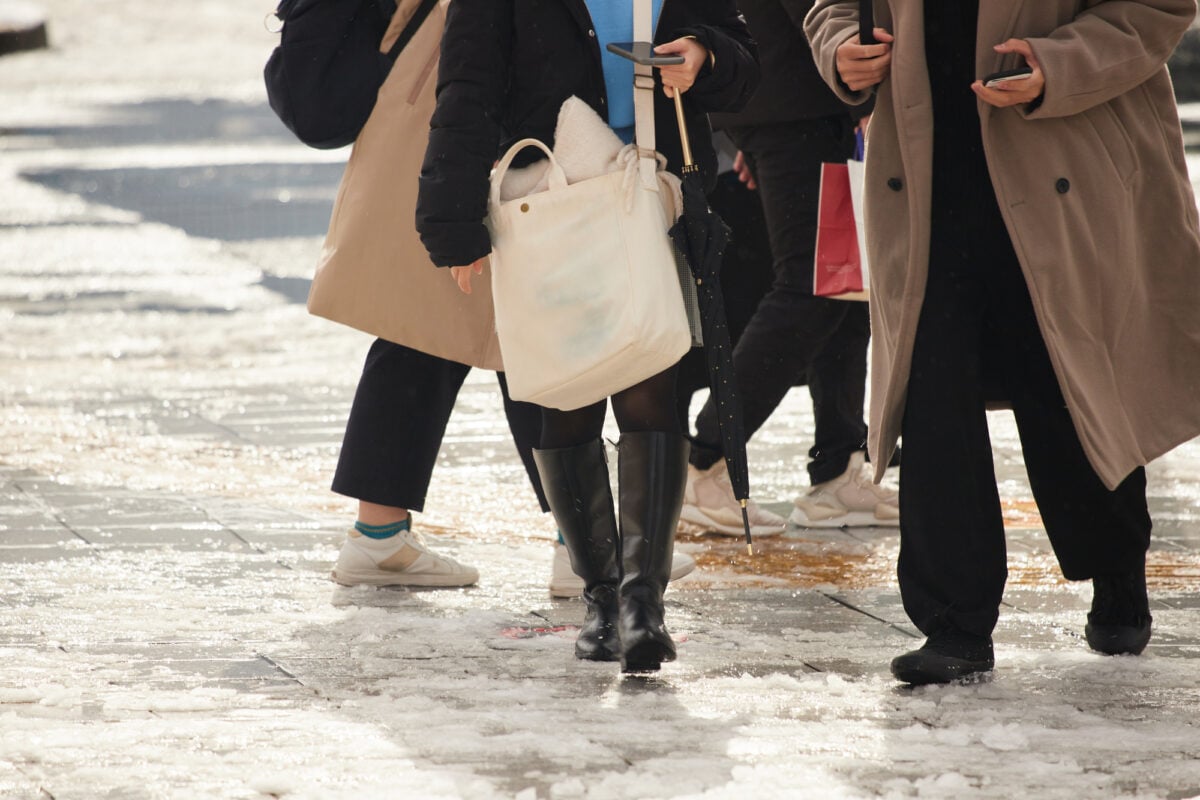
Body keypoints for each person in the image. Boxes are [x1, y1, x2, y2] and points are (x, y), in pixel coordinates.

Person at [806, 0, 1200, 684]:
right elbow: (832, 7)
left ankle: (1115, 567)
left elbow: (1158, 8)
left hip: (1063, 175)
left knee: (1069, 389)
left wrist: (1058, 65)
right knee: (931, 398)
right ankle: (954, 622)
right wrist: (840, 45)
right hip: (928, 185)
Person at [416, 0, 759, 671]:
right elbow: (466, 88)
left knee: (650, 380)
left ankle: (642, 606)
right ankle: (602, 598)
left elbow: (744, 63)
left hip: (647, 193)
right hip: (552, 203)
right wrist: (452, 225)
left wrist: (704, 55)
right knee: (567, 393)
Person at [679, 0, 900, 540]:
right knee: (813, 286)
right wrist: (865, 99)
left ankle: (839, 465)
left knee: (846, 282)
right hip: (809, 93)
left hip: (783, 91)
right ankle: (703, 461)